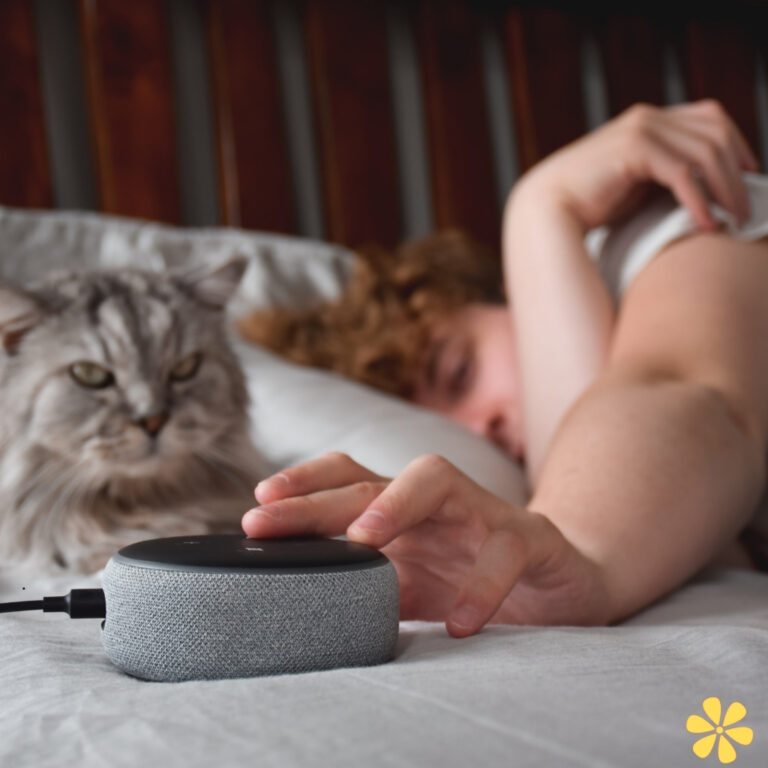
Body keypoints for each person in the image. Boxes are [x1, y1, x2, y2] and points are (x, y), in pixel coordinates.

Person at [238, 100, 768, 637]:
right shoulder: (660, 520)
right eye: (455, 430)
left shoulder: (672, 225)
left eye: (459, 371)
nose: (480, 427)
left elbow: (683, 386)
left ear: (502, 290)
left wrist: (539, 209)